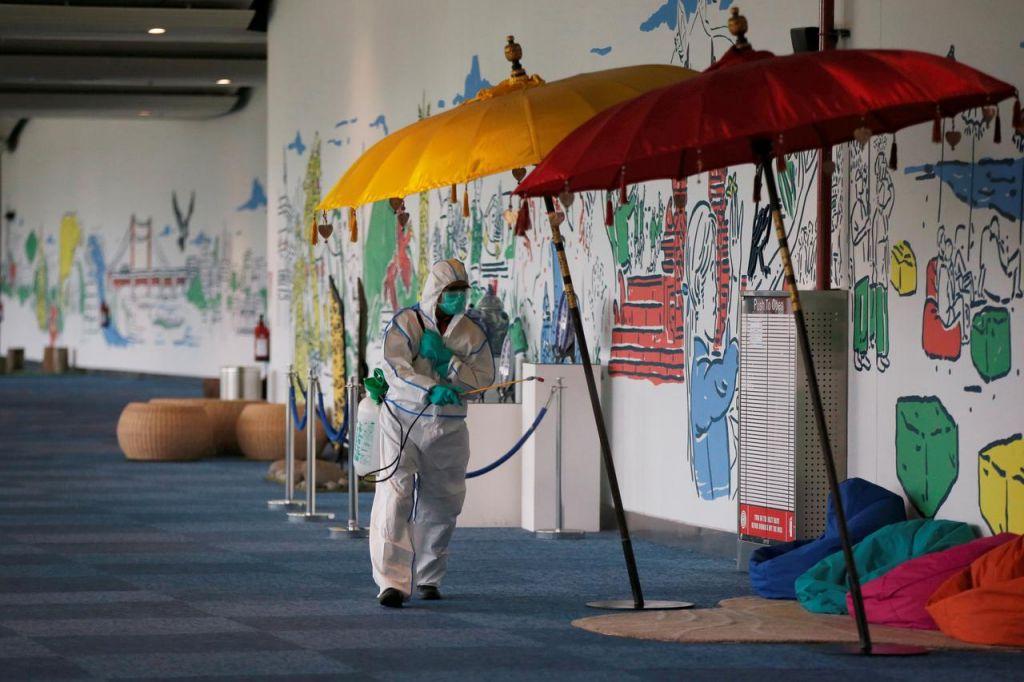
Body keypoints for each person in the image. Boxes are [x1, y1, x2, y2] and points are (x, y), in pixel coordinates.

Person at [370, 258, 494, 607]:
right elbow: (395, 368)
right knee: (395, 496)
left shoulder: (471, 333)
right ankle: (391, 581)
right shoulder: (406, 323)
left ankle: (428, 576)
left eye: (461, 291)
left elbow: (483, 380)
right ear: (435, 291)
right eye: (450, 291)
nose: (457, 297)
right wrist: (429, 388)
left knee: (443, 501)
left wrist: (449, 363)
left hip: (448, 425)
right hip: (403, 420)